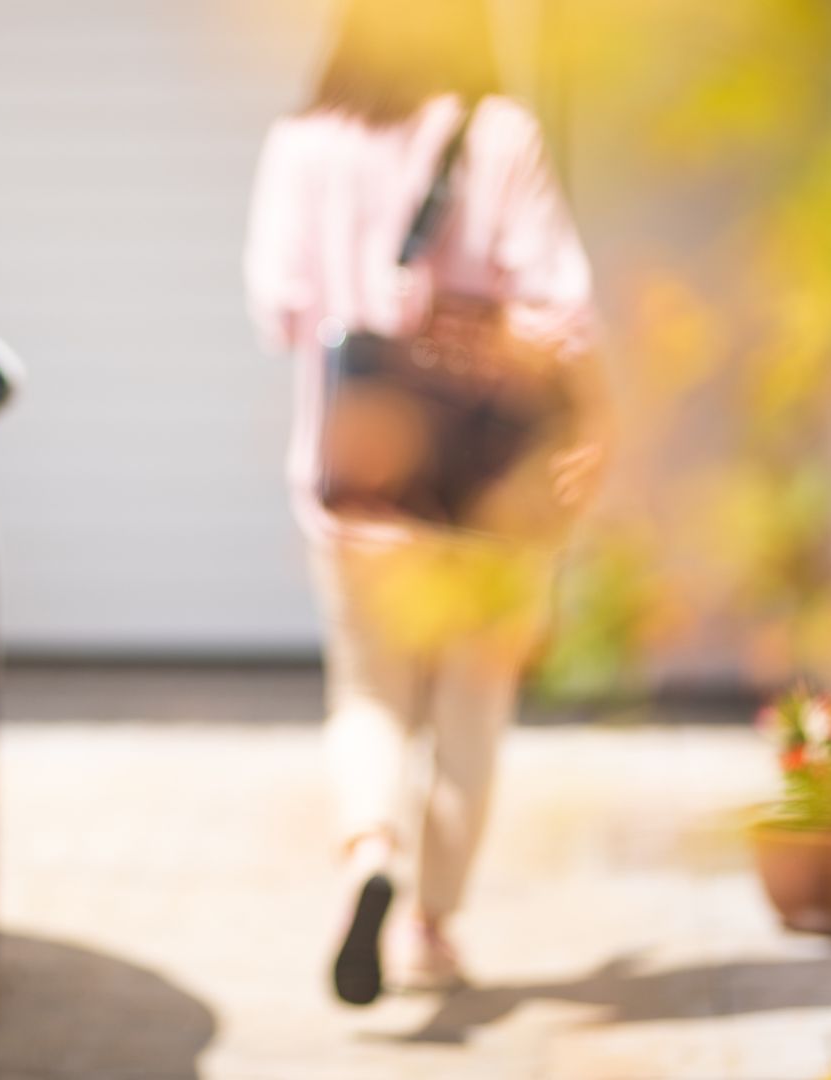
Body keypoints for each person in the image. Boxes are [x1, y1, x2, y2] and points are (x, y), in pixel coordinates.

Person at [244, 0, 609, 1005]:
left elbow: (276, 306)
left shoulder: (302, 143)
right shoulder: (502, 136)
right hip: (489, 486)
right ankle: (433, 930)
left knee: (366, 694)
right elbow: (562, 310)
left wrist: (365, 298)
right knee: (470, 708)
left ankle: (369, 857)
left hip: (357, 476)